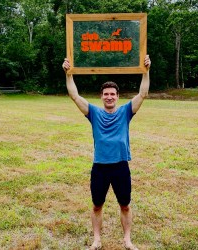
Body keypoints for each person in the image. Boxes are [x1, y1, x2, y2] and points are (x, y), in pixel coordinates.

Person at [62, 55, 151, 250]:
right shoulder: (93, 113)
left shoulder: (126, 112)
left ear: (117, 97)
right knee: (96, 205)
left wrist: (146, 71)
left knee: (125, 205)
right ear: (101, 97)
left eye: (112, 94)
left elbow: (142, 93)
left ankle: (127, 240)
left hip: (120, 166)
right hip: (100, 167)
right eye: (106, 94)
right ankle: (97, 240)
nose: (109, 97)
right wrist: (68, 74)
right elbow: (74, 96)